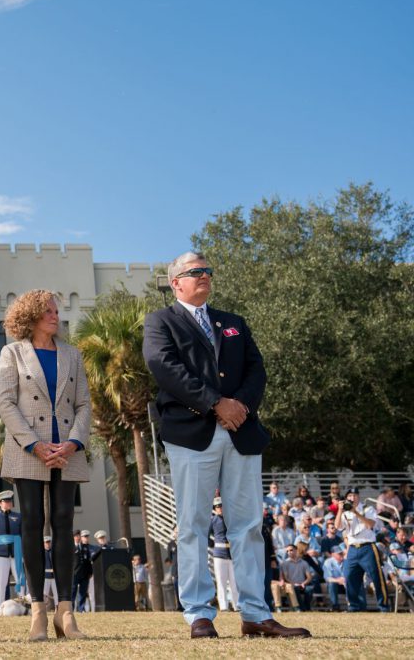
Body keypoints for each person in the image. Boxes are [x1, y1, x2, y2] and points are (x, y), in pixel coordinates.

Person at [143, 252, 310, 639]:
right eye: (194, 271)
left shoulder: (233, 323)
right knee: (193, 523)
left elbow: (257, 370)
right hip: (190, 432)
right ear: (175, 282)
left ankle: (255, 613)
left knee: (249, 526)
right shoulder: (160, 321)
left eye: (207, 271)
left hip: (241, 431)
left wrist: (240, 406)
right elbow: (164, 366)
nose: (204, 276)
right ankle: (199, 613)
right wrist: (215, 403)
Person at [0, 288, 91, 641]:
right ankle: (38, 611)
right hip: (28, 449)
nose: (56, 316)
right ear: (31, 316)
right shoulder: (12, 353)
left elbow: (84, 404)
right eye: (48, 311)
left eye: (57, 311)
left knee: (65, 522)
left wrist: (73, 442)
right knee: (33, 522)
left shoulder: (73, 354)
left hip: (68, 449)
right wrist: (35, 444)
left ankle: (66, 614)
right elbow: (6, 403)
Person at [335, 488, 388, 612]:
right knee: (349, 577)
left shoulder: (367, 509)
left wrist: (356, 513)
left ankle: (383, 606)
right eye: (349, 496)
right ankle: (353, 606)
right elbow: (338, 527)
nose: (352, 498)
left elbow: (370, 525)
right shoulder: (344, 512)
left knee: (376, 577)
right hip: (353, 548)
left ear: (358, 497)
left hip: (367, 547)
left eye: (354, 495)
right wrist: (339, 510)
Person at [209, 497, 238, 612]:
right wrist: (212, 544)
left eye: (221, 506)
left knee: (234, 582)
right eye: (217, 507)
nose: (220, 508)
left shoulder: (231, 519)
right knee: (221, 582)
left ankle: (236, 606)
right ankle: (224, 606)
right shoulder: (213, 520)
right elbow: (207, 533)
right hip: (219, 554)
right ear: (215, 509)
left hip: (231, 554)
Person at [272, 545, 314, 612]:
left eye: (291, 550)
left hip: (303, 584)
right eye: (287, 551)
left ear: (296, 550)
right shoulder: (284, 563)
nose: (289, 552)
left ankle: (307, 608)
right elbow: (286, 578)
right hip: (291, 584)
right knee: (295, 588)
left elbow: (309, 577)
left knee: (309, 589)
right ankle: (301, 608)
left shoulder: (304, 563)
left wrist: (303, 583)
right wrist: (294, 584)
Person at [73, 529, 93, 613]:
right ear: (73, 537)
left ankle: (81, 608)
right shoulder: (70, 547)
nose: (78, 537)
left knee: (83, 592)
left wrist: (90, 572)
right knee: (73, 592)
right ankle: (71, 608)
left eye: (79, 536)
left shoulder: (85, 547)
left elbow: (89, 561)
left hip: (84, 574)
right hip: (74, 574)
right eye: (76, 536)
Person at [321, 545, 346, 611]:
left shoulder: (346, 561)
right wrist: (338, 580)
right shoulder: (328, 562)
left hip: (345, 583)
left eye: (342, 553)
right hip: (335, 584)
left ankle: (353, 606)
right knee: (332, 584)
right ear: (332, 555)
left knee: (351, 583)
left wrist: (344, 580)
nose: (341, 555)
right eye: (339, 553)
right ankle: (335, 606)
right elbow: (327, 578)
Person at [43, 536, 58, 607]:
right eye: (46, 542)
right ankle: (44, 608)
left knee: (56, 593)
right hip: (46, 576)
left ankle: (57, 608)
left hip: (54, 576)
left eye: (49, 542)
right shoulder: (42, 553)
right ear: (43, 543)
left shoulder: (54, 552)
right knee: (45, 594)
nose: (48, 544)